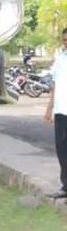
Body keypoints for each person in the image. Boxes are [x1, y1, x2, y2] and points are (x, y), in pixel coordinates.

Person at [45, 27, 67, 199]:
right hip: (61, 111)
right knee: (62, 149)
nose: (65, 42)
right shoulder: (60, 58)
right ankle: (65, 186)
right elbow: (55, 85)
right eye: (64, 39)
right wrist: (49, 107)